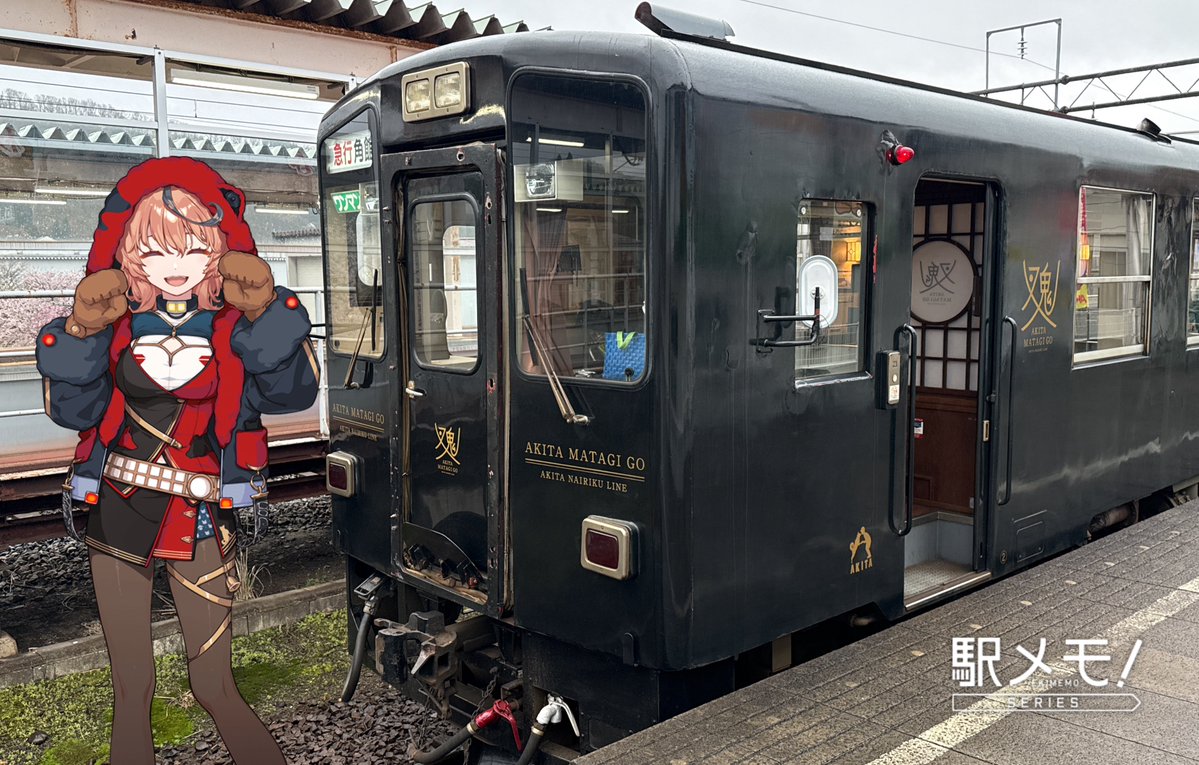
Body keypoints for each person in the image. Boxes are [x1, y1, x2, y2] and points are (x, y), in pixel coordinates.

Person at [35, 157, 319, 764]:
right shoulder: (112, 329)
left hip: (200, 516)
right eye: (158, 253)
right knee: (130, 686)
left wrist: (267, 315)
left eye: (194, 250)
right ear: (132, 259)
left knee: (213, 682)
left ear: (218, 256)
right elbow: (75, 412)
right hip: (119, 507)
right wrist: (81, 335)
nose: (177, 269)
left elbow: (293, 393)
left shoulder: (235, 330)